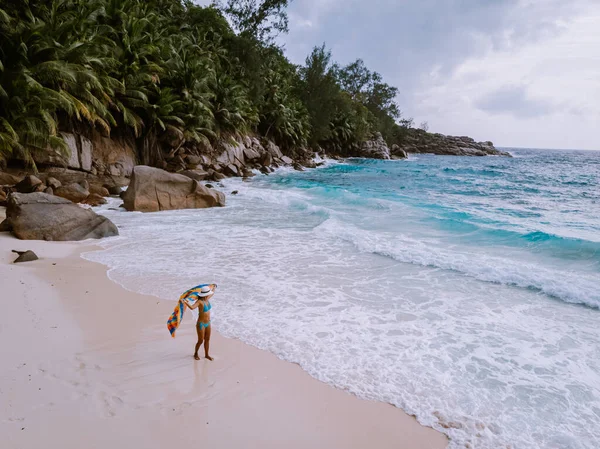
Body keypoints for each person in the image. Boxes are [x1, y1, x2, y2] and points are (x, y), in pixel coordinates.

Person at [187, 285, 215, 361]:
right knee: (200, 340)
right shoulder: (199, 302)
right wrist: (186, 302)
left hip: (208, 323)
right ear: (205, 295)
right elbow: (192, 307)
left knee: (207, 339)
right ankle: (195, 353)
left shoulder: (207, 299)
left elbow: (213, 293)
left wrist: (214, 287)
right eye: (208, 294)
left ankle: (207, 355)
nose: (209, 295)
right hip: (201, 324)